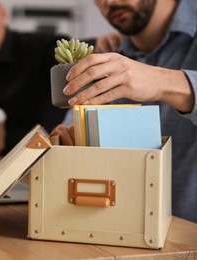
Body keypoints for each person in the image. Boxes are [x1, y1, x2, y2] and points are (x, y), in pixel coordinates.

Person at [51, 0, 197, 223]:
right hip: (122, 231)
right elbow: (67, 134)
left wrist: (162, 81)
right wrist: (70, 143)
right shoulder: (110, 53)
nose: (109, 2)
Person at [0, 0, 119, 156]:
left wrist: (97, 45)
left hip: (43, 159)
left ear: (1, 13)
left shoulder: (39, 48)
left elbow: (69, 52)